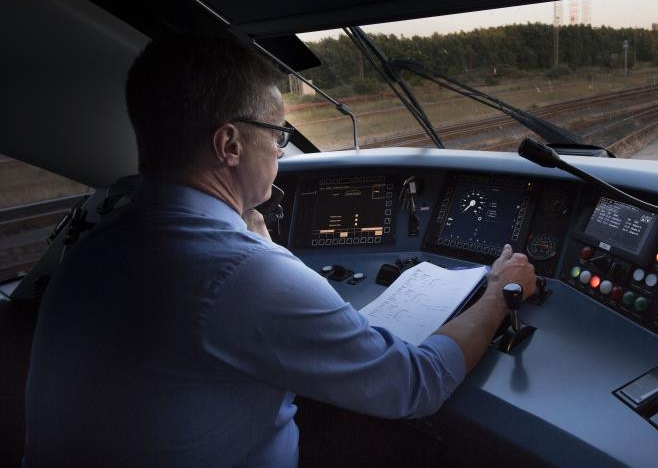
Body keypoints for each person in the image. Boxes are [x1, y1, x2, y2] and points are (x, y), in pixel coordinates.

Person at [23, 35, 536, 466]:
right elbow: (413, 384)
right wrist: (499, 291)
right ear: (229, 146)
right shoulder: (241, 274)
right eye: (278, 133)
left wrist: (259, 256)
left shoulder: (92, 246)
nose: (282, 148)